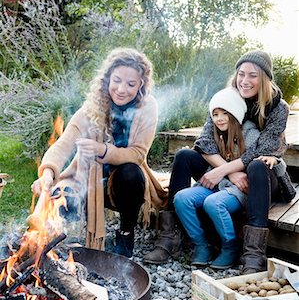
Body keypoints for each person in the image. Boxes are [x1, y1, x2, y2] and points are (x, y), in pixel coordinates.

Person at [143, 50, 295, 272]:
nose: (245, 81)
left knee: (257, 165)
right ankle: (169, 237)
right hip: (230, 169)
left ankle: (253, 254)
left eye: (252, 75)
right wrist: (228, 172)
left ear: (264, 78)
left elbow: (263, 150)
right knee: (184, 156)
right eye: (241, 74)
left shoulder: (278, 108)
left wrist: (221, 172)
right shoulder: (226, 99)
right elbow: (204, 142)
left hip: (263, 175)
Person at [31, 48, 167, 257]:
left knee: (130, 172)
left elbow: (137, 154)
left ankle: (125, 233)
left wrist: (102, 150)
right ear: (107, 79)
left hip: (125, 184)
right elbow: (63, 144)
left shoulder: (148, 106)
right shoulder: (93, 106)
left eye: (130, 84)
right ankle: (54, 241)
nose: (122, 89)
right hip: (89, 178)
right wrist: (48, 173)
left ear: (141, 85)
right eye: (117, 80)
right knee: (59, 196)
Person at [173, 87, 286, 269]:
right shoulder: (216, 135)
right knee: (181, 198)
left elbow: (263, 159)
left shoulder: (251, 135)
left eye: (225, 113)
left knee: (213, 203)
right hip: (219, 184)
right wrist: (226, 172)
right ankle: (201, 244)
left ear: (236, 113)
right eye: (215, 114)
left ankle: (230, 246)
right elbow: (202, 147)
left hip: (240, 189)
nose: (219, 118)